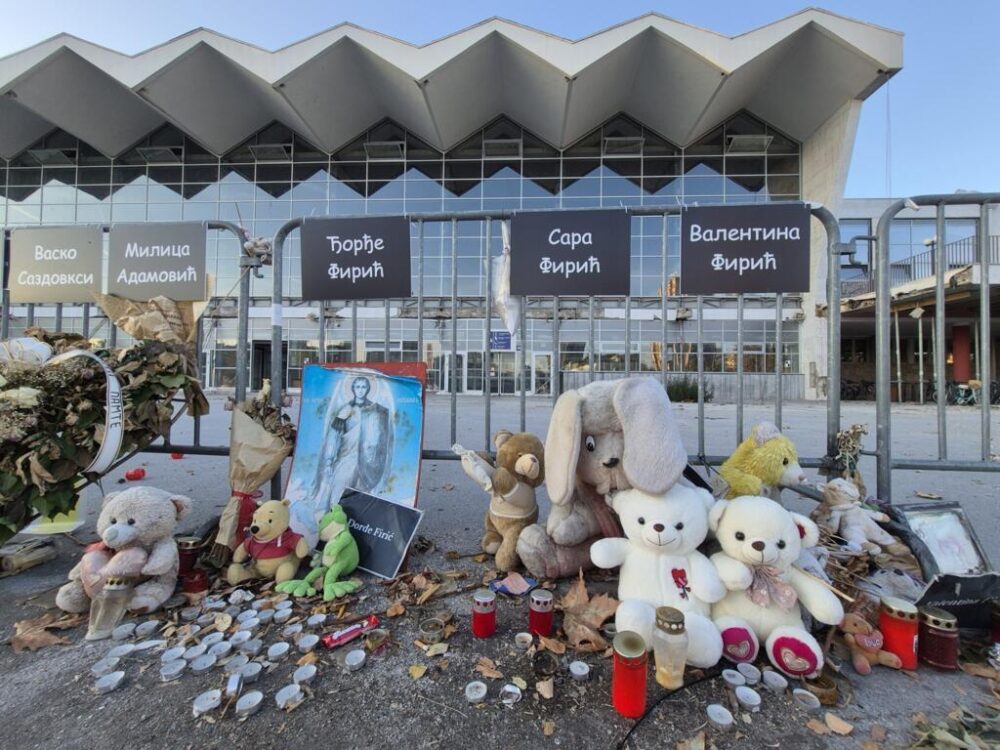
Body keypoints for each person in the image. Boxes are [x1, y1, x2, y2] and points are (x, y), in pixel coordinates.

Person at [314, 376, 391, 516]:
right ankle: (333, 522)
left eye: (363, 387)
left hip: (368, 462)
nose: (360, 390)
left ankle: (358, 525)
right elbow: (333, 437)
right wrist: (329, 461)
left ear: (368, 389)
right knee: (338, 491)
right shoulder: (344, 411)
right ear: (352, 389)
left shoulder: (376, 411)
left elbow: (382, 440)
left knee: (362, 496)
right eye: (357, 387)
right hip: (346, 457)